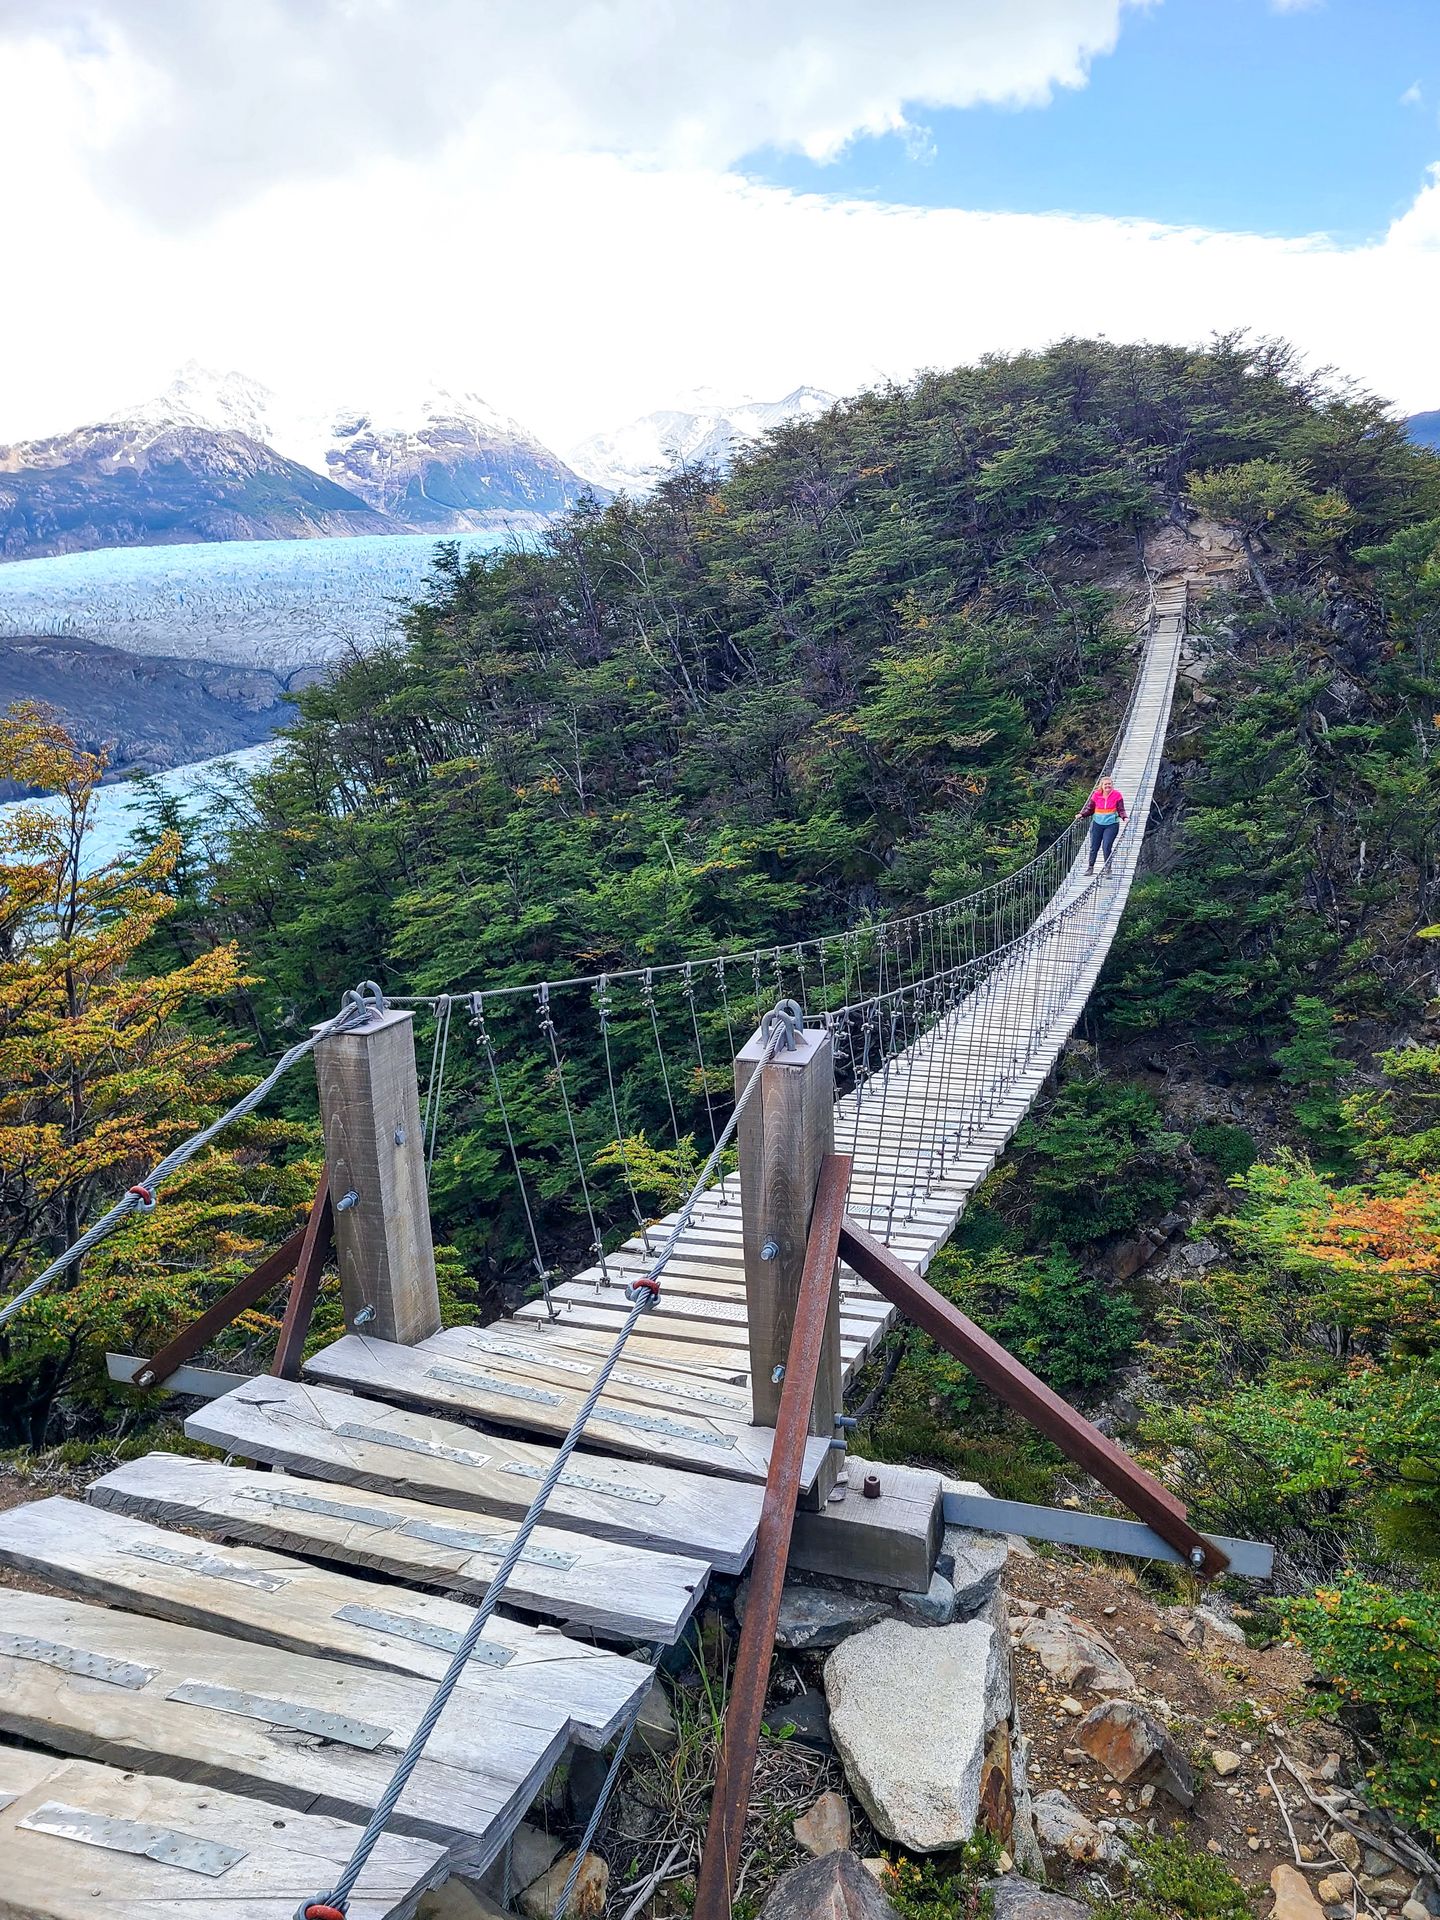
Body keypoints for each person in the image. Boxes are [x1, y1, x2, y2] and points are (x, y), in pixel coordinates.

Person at [1079, 775, 1128, 874]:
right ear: (1101, 786)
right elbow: (1090, 808)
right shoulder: (1096, 795)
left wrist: (1124, 817)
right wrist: (1082, 814)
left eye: (1109, 784)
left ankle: (1108, 868)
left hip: (1111, 824)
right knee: (1094, 846)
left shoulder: (1117, 795)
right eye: (1105, 784)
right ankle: (1090, 867)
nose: (1107, 786)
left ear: (1112, 785)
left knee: (1106, 846)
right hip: (1097, 824)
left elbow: (1120, 809)